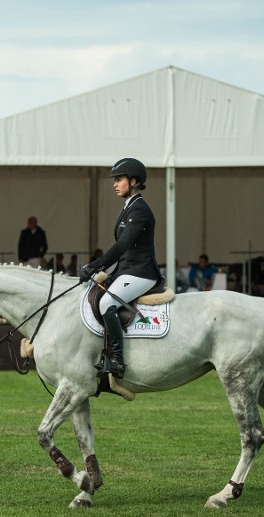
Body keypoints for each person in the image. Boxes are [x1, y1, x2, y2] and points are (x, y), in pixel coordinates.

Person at [79, 157, 163, 380]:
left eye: (119, 180)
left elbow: (123, 245)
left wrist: (94, 265)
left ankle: (117, 360)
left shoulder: (140, 210)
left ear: (133, 181)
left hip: (142, 272)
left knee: (108, 303)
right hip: (127, 270)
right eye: (114, 180)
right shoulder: (129, 208)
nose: (115, 184)